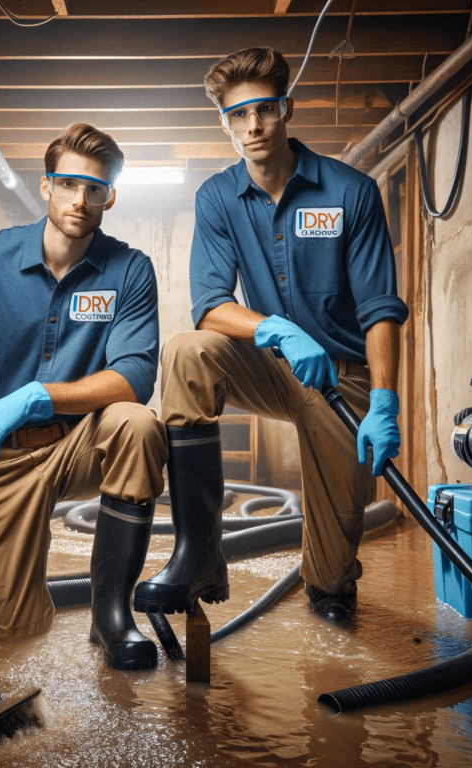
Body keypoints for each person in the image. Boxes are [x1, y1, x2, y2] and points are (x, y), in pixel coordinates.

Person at [133, 47, 409, 622]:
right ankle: (199, 556)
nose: (253, 126)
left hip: (340, 378)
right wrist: (278, 330)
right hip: (270, 363)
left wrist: (384, 399)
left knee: (332, 577)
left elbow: (380, 306)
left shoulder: (350, 192)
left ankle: (330, 583)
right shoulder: (217, 198)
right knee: (186, 351)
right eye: (238, 115)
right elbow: (211, 307)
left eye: (264, 109)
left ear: (287, 108)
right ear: (225, 124)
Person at [0, 124, 168, 670]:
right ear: (46, 184)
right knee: (11, 637)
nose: (81, 199)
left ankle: (111, 617)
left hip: (84, 439)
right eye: (70, 184)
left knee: (138, 423)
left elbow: (136, 375)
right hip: (6, 457)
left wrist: (39, 397)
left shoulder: (129, 269)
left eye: (95, 189)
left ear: (110, 196)